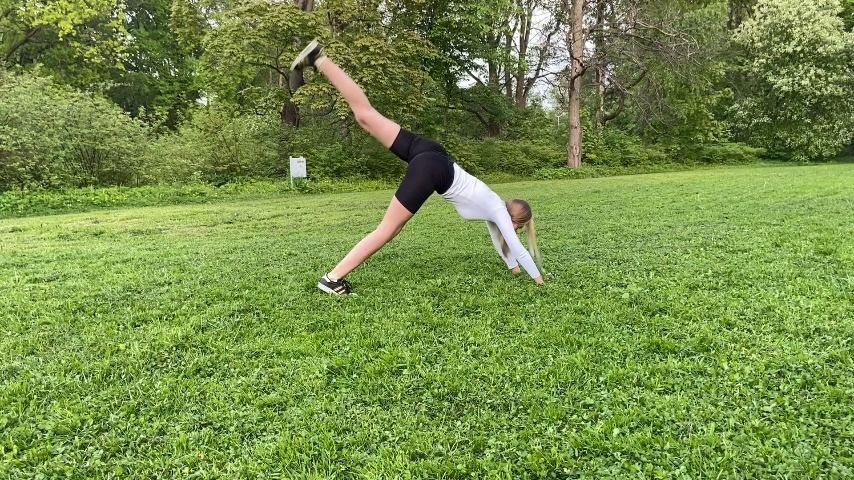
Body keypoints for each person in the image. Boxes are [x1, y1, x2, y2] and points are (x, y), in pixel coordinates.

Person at [290, 40, 544, 295]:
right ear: (513, 219)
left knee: (365, 116)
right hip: (434, 169)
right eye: (519, 227)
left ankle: (319, 59)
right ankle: (332, 279)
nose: (516, 231)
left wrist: (515, 269)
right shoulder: (498, 210)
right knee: (389, 229)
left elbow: (500, 242)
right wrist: (538, 280)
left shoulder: (496, 208)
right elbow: (515, 246)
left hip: (432, 152)